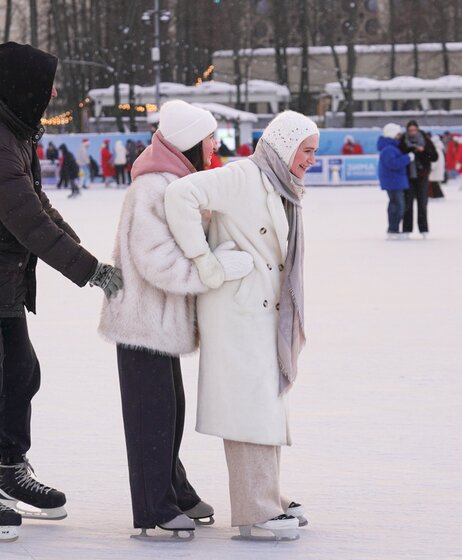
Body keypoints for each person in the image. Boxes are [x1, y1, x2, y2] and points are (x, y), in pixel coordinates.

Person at [0, 42, 124, 543]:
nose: (54, 93)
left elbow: (39, 203)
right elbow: (27, 221)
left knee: (21, 372)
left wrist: (88, 256)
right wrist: (90, 272)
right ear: (23, 87)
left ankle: (11, 469)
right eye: (47, 85)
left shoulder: (12, 131)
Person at [164, 110, 318, 541]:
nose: (311, 160)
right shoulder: (242, 176)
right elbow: (180, 196)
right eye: (306, 151)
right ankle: (255, 509)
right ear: (285, 145)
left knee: (265, 404)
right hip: (238, 311)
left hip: (260, 313)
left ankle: (266, 495)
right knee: (251, 408)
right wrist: (206, 262)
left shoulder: (279, 184)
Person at [99, 100, 237, 539]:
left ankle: (173, 489)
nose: (216, 144)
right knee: (150, 416)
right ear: (190, 143)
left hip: (163, 324)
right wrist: (212, 270)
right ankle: (153, 505)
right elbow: (156, 260)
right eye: (210, 137)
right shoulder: (151, 189)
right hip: (142, 322)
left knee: (169, 412)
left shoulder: (178, 182)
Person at [399, 120, 438, 239]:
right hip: (408, 177)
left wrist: (424, 151)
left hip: (422, 176)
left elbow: (434, 157)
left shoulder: (425, 140)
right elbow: (400, 155)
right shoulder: (403, 141)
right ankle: (406, 229)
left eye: (414, 130)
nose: (412, 133)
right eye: (410, 130)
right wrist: (410, 151)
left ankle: (424, 229)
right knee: (408, 204)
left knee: (422, 204)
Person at [377, 123, 412, 240]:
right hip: (393, 181)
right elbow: (393, 164)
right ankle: (393, 229)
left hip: (395, 180)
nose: (399, 137)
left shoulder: (391, 147)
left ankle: (394, 229)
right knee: (398, 206)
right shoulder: (389, 149)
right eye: (397, 134)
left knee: (396, 205)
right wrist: (408, 158)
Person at [429, 134, 446, 198]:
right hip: (438, 170)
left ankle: (437, 196)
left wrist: (431, 167)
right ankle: (438, 196)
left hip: (435, 171)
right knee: (435, 185)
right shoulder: (439, 149)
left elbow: (435, 161)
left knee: (434, 185)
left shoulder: (436, 150)